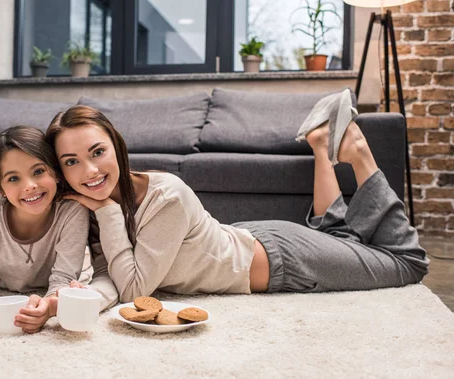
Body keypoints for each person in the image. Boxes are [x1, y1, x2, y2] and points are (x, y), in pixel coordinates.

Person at [44, 92, 429, 304]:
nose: (89, 172)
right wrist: (83, 296)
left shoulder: (166, 197)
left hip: (286, 261)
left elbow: (134, 290)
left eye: (97, 153)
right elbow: (114, 269)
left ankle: (358, 150)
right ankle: (320, 145)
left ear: (117, 147)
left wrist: (107, 211)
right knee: (345, 240)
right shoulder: (87, 202)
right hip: (248, 241)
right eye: (72, 162)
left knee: (405, 262)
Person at [0, 125, 117, 333]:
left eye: (38, 171)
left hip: (67, 280)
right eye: (13, 178)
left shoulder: (72, 211)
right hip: (4, 287)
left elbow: (61, 280)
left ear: (55, 173)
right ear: (1, 188)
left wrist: (46, 306)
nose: (29, 186)